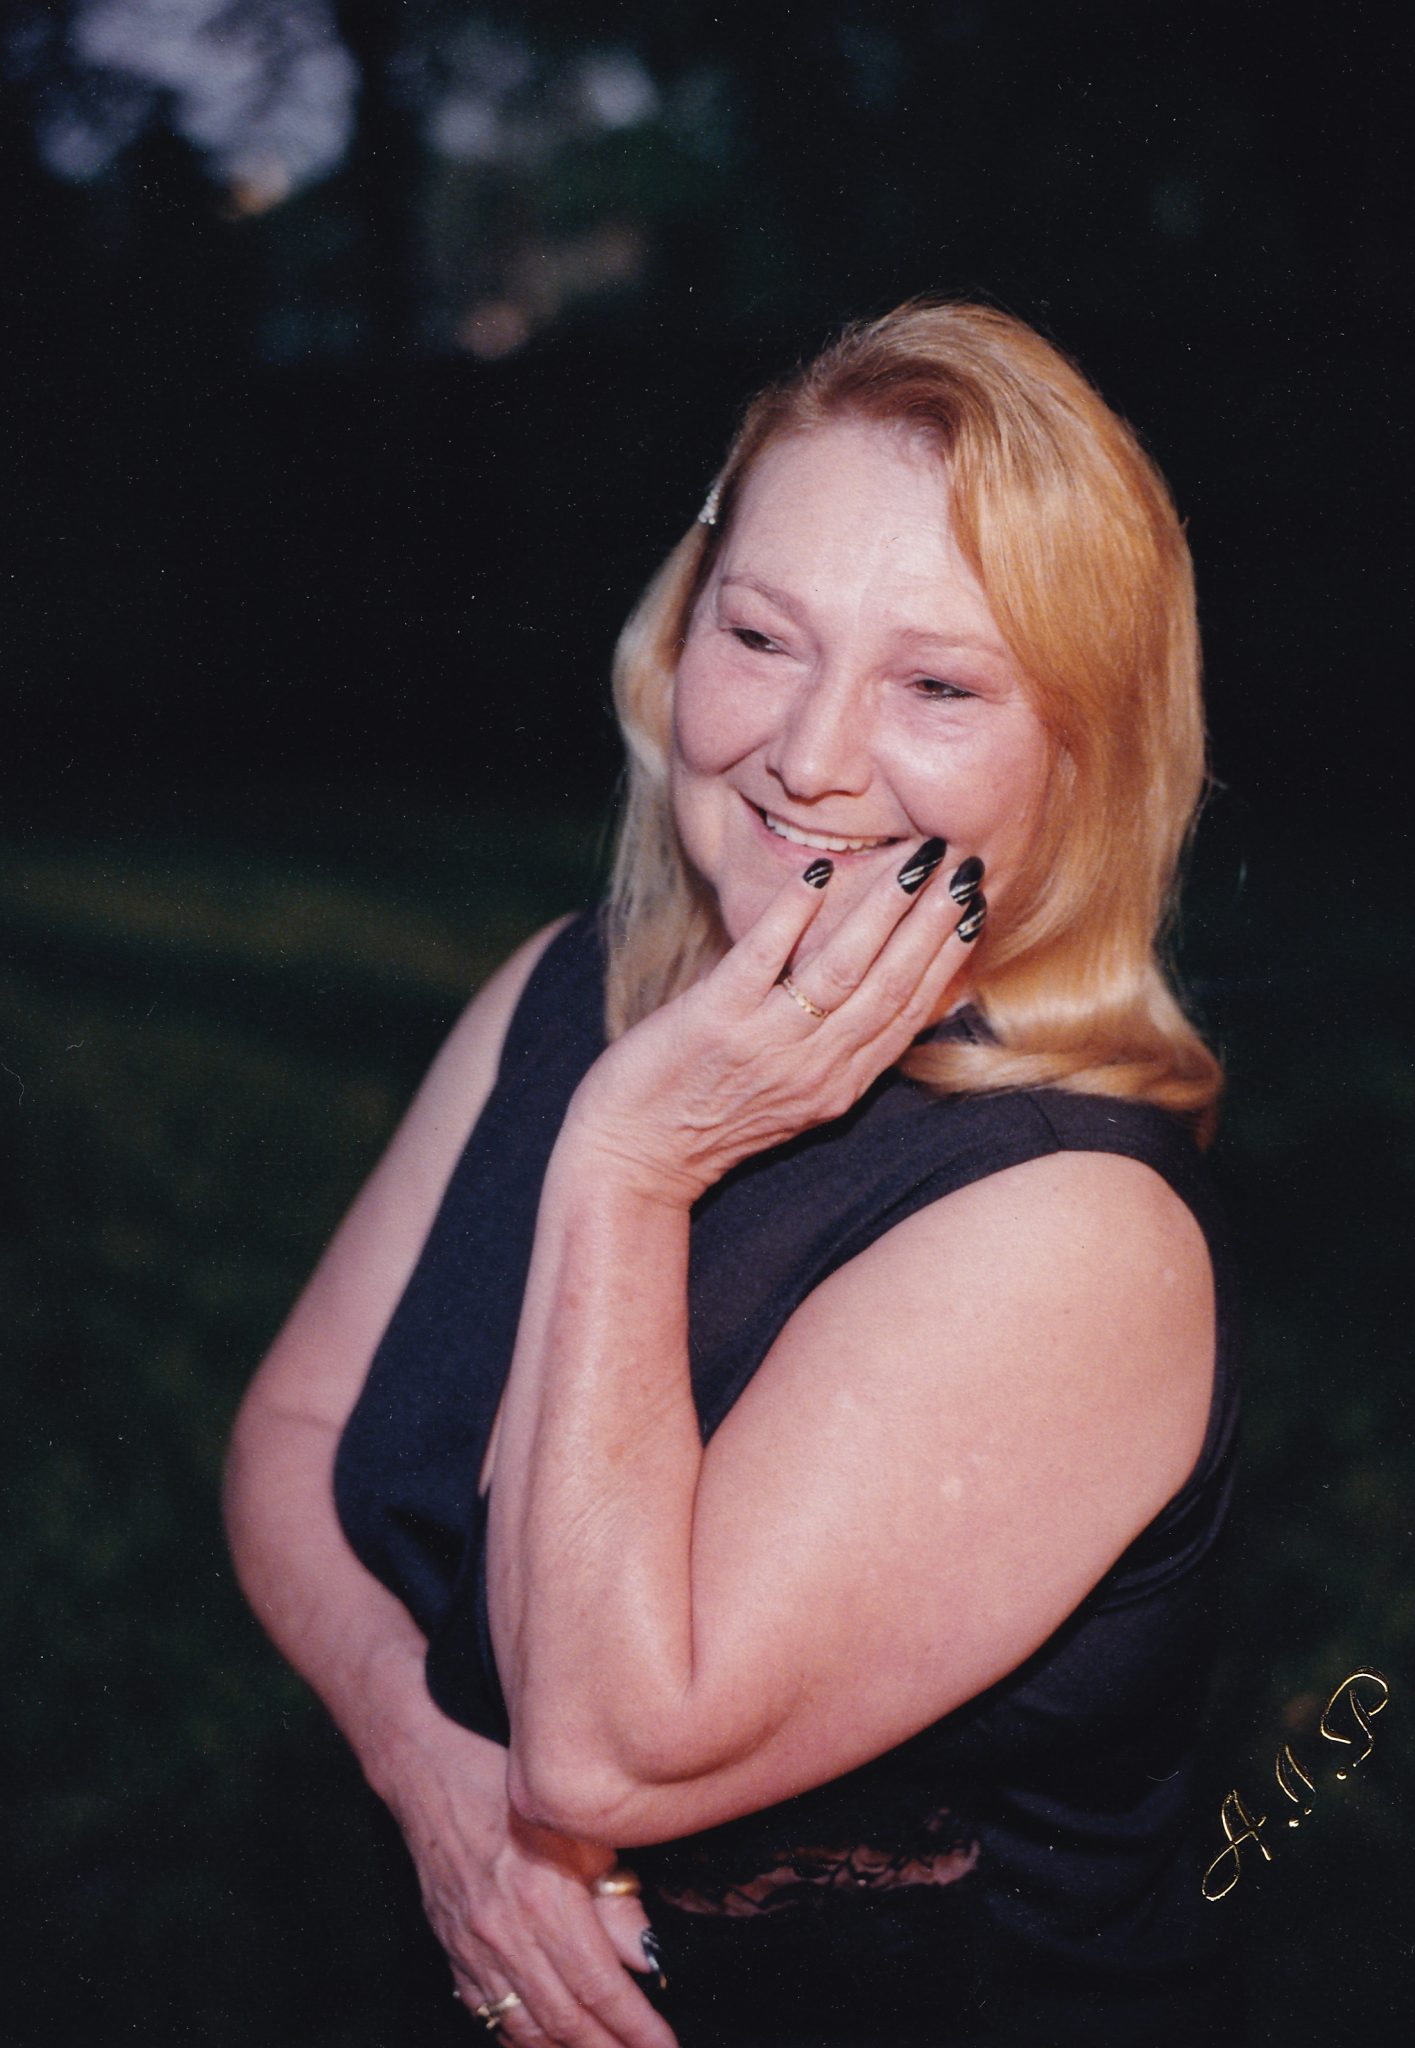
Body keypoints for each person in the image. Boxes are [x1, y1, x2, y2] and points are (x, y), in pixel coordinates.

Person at [224, 299, 1237, 2048]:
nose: (810, 755)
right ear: (676, 636)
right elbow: (289, 1437)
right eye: (762, 637)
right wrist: (419, 1750)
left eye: (938, 686)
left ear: (1082, 761)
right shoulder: (567, 989)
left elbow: (603, 1748)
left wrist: (628, 1168)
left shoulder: (1075, 1226)